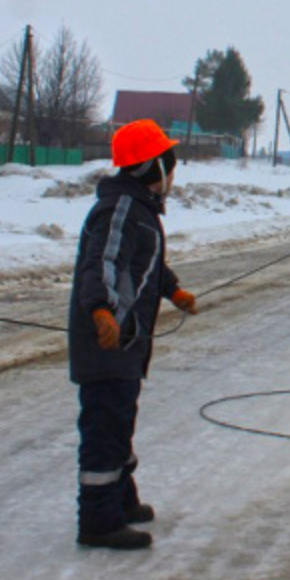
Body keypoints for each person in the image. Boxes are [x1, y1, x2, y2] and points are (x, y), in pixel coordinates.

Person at [68, 119, 198, 550]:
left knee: (120, 420)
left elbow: (146, 264)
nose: (173, 177)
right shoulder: (121, 209)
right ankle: (98, 522)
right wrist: (102, 310)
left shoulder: (138, 208)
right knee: (105, 426)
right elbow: (102, 262)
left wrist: (172, 289)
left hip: (126, 341)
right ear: (152, 167)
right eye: (170, 166)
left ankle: (121, 502)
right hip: (107, 340)